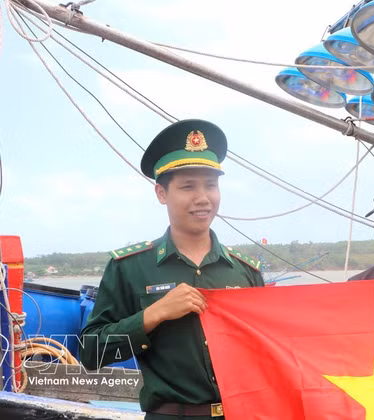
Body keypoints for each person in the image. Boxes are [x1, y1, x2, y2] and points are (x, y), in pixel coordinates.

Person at [80, 119, 264, 419]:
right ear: (162, 193)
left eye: (211, 185)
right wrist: (153, 315)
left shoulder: (246, 272)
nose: (202, 198)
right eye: (188, 186)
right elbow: (91, 353)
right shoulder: (129, 268)